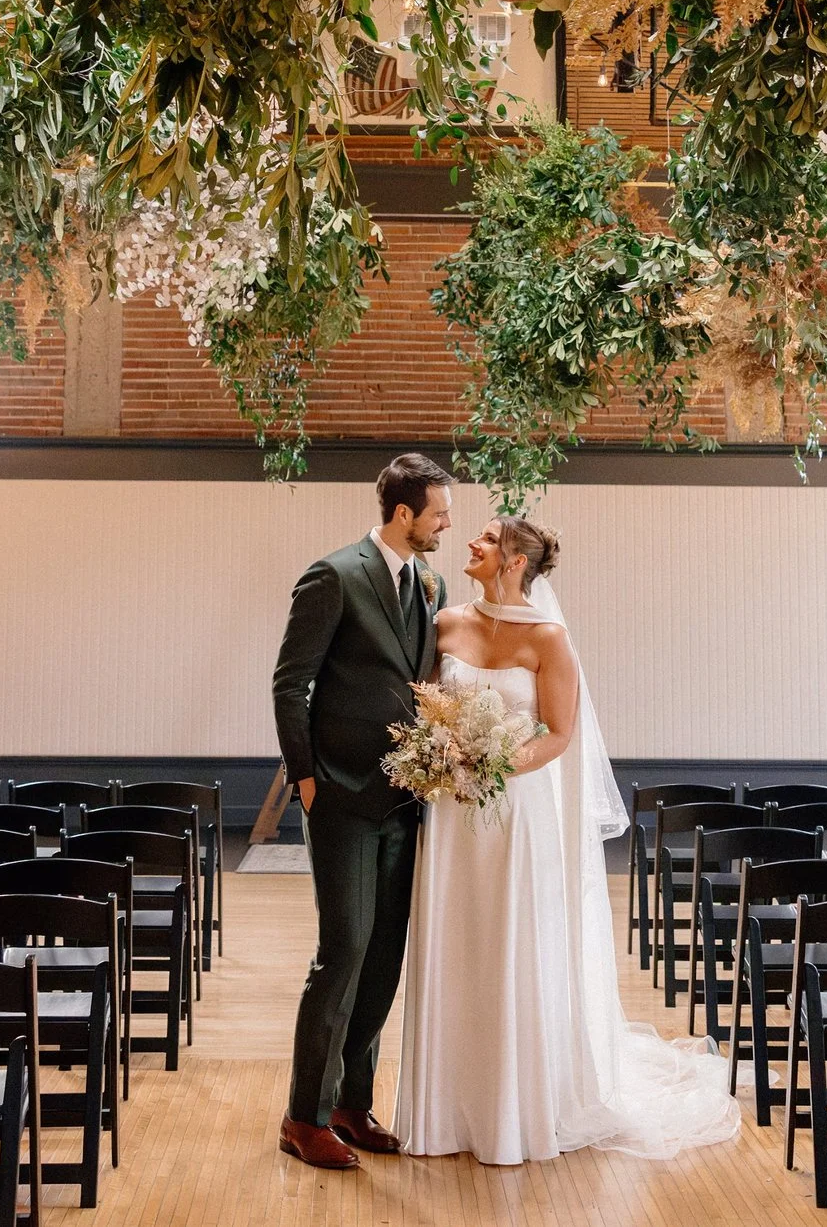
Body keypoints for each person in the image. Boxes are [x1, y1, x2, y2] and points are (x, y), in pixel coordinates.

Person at [394, 515, 740, 1165]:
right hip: (450, 822)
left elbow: (557, 733)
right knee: (454, 940)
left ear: (516, 559)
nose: (473, 542)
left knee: (510, 944)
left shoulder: (549, 639)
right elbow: (423, 705)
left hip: (516, 814)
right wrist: (439, 760)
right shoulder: (445, 623)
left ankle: (515, 1113)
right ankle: (441, 1115)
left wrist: (490, 768)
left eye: (488, 539)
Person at [270, 452, 454, 1168]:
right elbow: (290, 686)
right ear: (403, 514)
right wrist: (307, 781)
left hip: (406, 802)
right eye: (439, 512)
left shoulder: (429, 584)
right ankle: (301, 1117)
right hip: (341, 796)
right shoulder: (333, 576)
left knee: (382, 957)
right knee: (341, 950)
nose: (446, 523)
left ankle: (351, 1104)